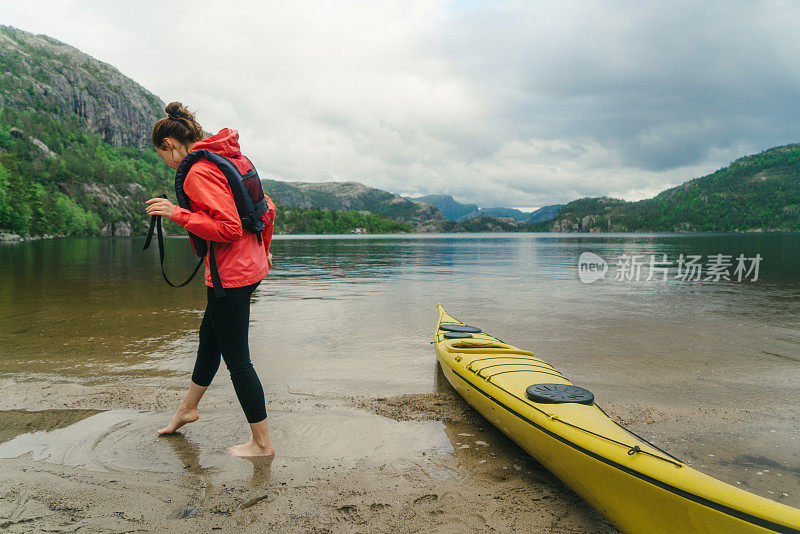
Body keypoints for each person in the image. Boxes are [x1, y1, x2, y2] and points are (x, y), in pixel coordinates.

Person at [145, 102, 275, 457]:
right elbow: (268, 208)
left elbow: (229, 229)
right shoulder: (229, 157)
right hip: (248, 266)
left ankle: (262, 444)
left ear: (170, 143)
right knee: (209, 339)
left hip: (231, 275)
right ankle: (186, 410)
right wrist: (264, 249)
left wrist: (178, 213)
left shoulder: (197, 172)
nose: (167, 163)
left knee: (238, 361)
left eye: (163, 155)